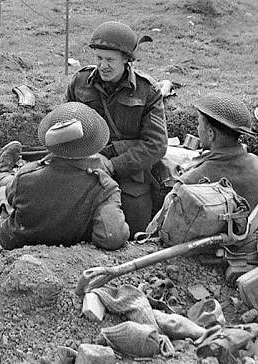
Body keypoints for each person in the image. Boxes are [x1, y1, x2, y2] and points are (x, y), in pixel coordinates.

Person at [0, 102, 130, 250]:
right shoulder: (104, 188)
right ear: (94, 145)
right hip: (71, 246)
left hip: (17, 240)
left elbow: (12, 196)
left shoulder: (26, 175)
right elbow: (112, 236)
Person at [65, 21, 167, 235]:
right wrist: (91, 157)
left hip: (131, 176)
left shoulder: (147, 91)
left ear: (126, 60)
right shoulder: (80, 82)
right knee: (71, 229)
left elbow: (156, 145)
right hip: (87, 169)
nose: (103, 66)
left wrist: (112, 165)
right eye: (99, 58)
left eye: (110, 60)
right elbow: (62, 127)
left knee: (136, 232)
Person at [180, 93, 258, 252]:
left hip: (207, 256)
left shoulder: (191, 180)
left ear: (210, 133)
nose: (196, 128)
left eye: (199, 123)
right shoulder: (256, 163)